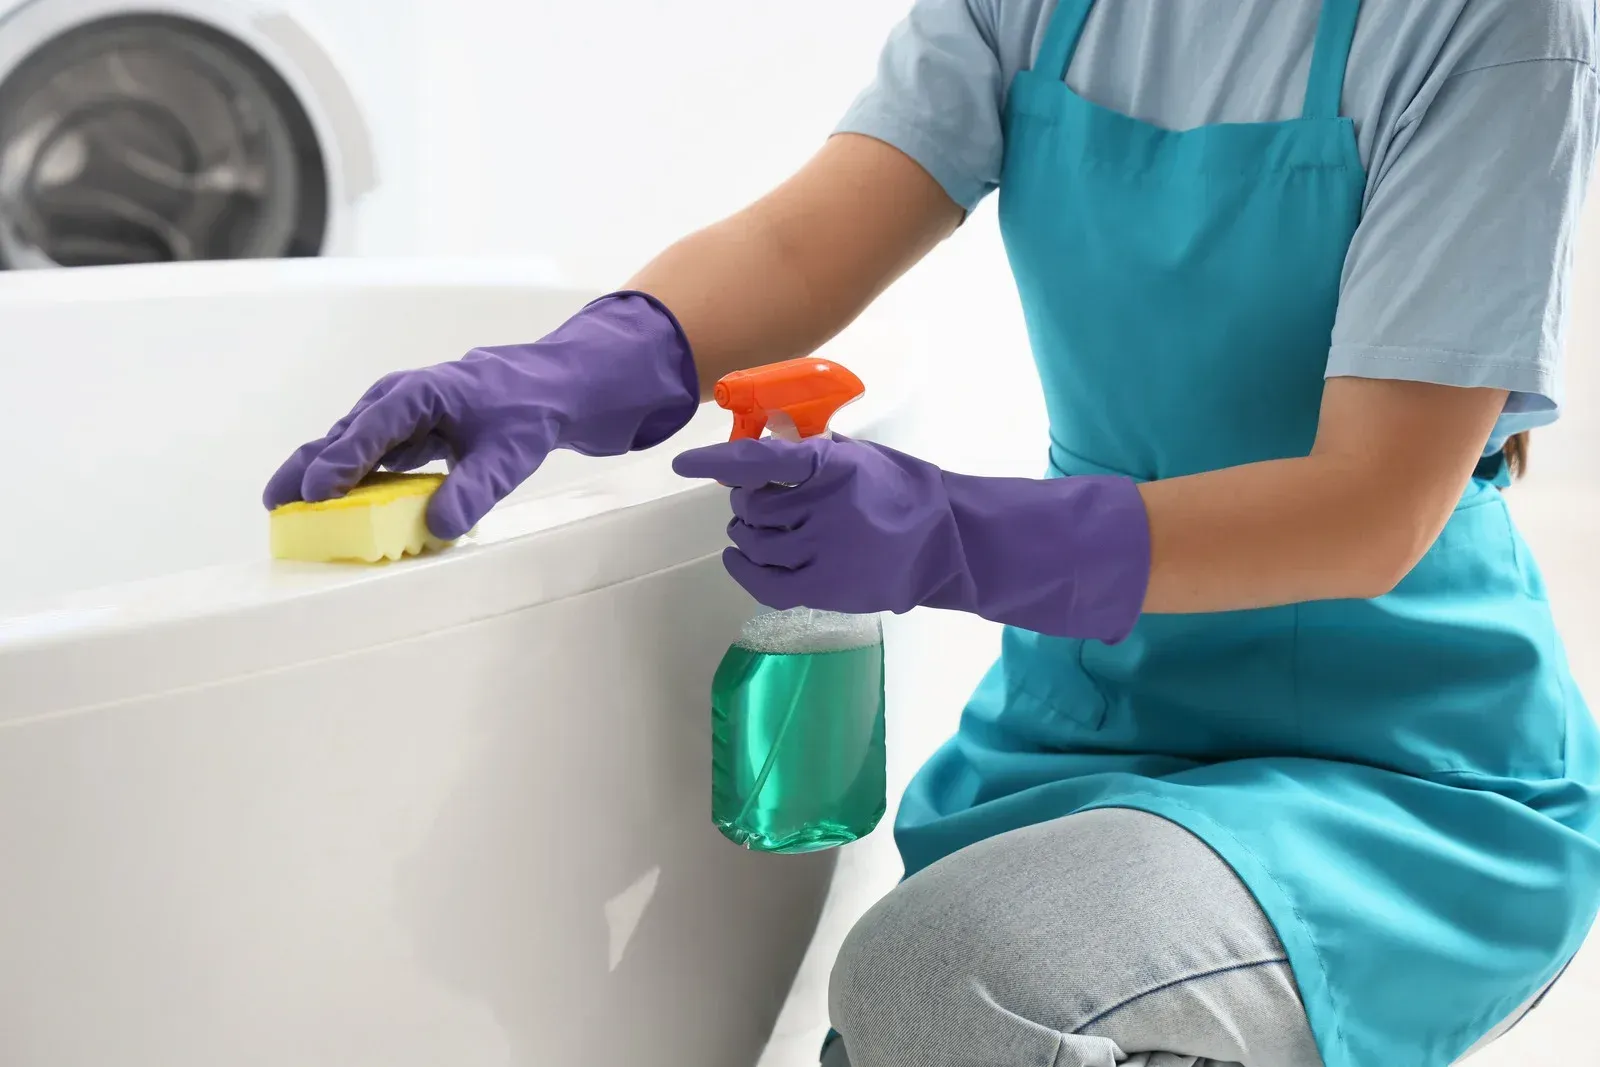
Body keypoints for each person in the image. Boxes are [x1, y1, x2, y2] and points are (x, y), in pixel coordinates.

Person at [264, 0, 1600, 1063]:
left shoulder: (1489, 23)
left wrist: (952, 533)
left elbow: (1370, 506)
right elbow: (804, 244)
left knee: (960, 983)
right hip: (1086, 718)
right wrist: (571, 368)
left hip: (1392, 763)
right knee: (929, 1006)